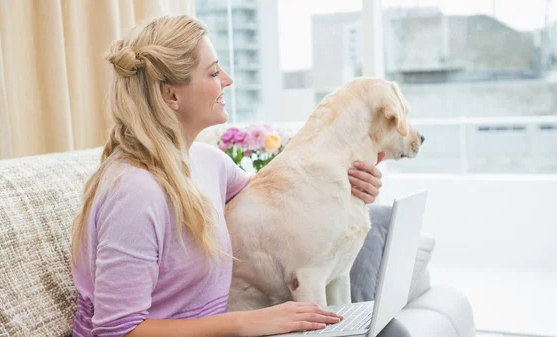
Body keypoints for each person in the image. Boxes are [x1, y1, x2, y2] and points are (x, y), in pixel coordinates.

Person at [70, 14, 384, 337]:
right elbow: (119, 331)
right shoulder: (134, 192)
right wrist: (248, 323)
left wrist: (351, 189)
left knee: (389, 329)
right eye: (213, 72)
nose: (228, 79)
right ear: (171, 96)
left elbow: (280, 210)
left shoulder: (209, 163)